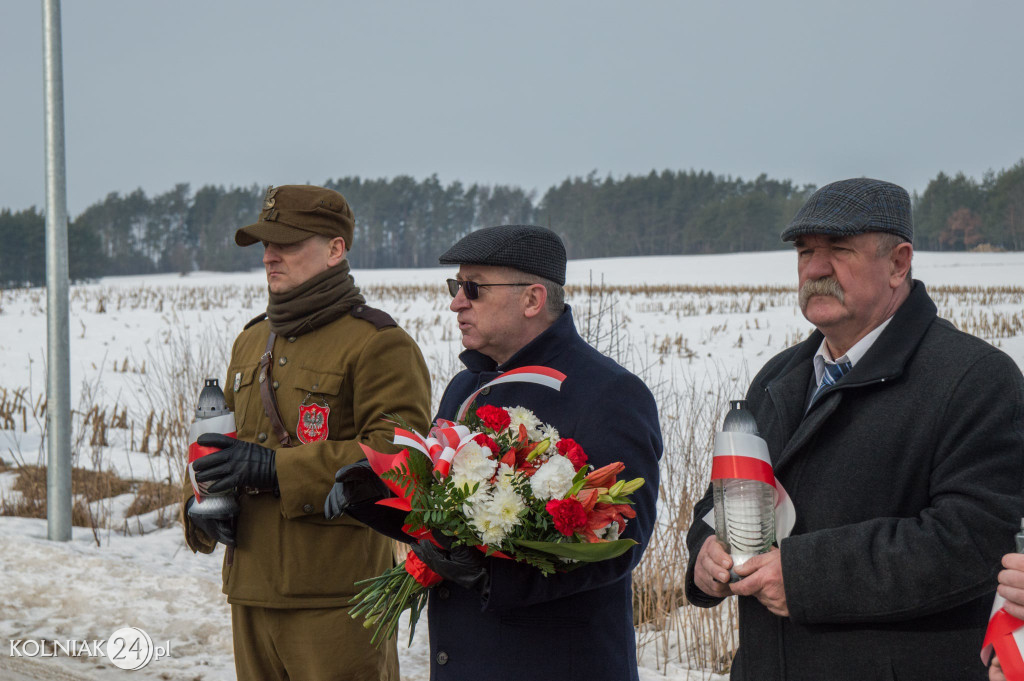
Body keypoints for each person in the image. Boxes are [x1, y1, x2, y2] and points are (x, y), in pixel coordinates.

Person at [684, 178, 1024, 681]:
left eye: (838, 250)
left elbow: (973, 541)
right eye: (805, 251)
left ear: (899, 263)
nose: (815, 268)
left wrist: (803, 577)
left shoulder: (974, 379)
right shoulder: (778, 378)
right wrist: (705, 554)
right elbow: (730, 491)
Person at [327, 224, 662, 681]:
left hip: (552, 666)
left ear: (532, 299)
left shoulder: (609, 392)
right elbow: (443, 520)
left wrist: (491, 577)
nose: (456, 302)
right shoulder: (466, 388)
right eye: (456, 286)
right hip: (464, 660)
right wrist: (373, 494)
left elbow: (619, 543)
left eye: (474, 288)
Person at [181, 185, 432, 681]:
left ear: (335, 249)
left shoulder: (379, 344)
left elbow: (402, 458)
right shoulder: (252, 340)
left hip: (337, 598)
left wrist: (277, 468)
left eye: (288, 243)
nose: (270, 256)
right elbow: (216, 443)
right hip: (250, 588)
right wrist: (199, 506)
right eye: (265, 244)